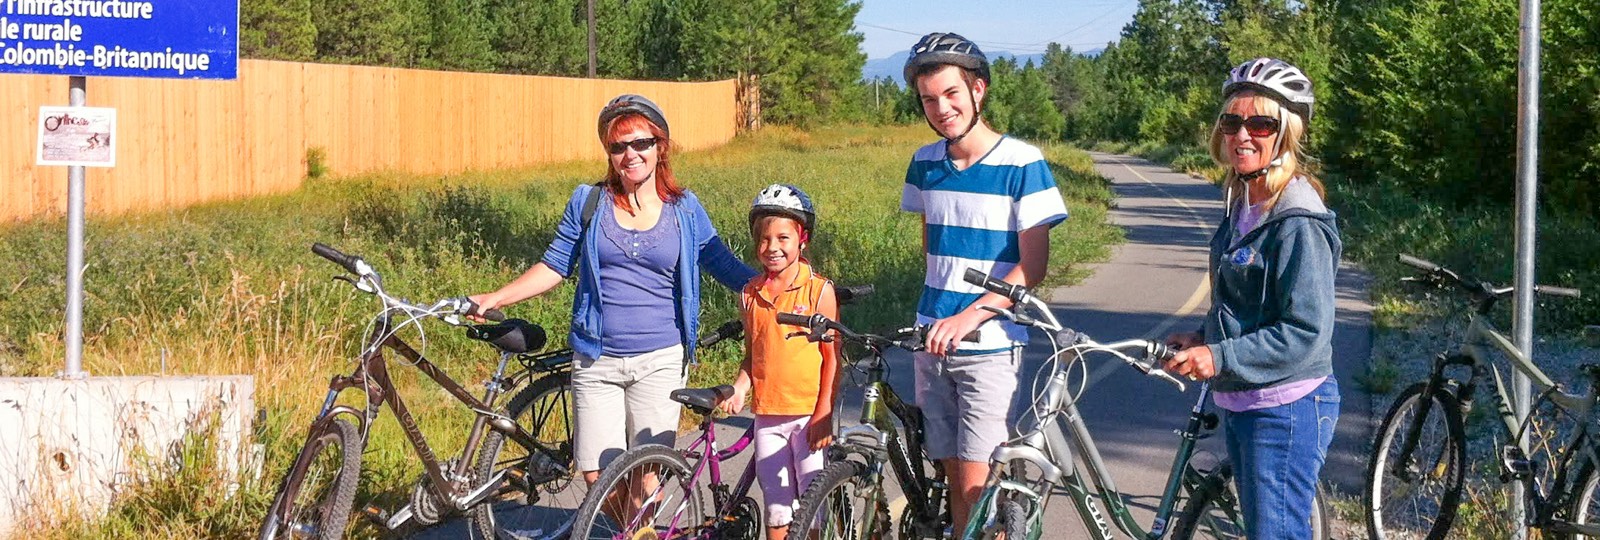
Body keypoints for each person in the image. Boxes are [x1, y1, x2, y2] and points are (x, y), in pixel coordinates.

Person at [470, 94, 756, 483]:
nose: (631, 154)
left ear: (660, 146)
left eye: (641, 143)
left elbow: (721, 262)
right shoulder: (589, 202)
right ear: (609, 152)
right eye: (618, 146)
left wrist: (777, 286)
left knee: (646, 474)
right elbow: (555, 264)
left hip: (661, 358)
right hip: (596, 357)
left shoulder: (685, 208)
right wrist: (496, 297)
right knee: (595, 477)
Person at [1162, 57, 1342, 538]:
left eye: (1261, 123)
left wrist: (1217, 355)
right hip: (1245, 399)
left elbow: (1304, 332)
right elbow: (1248, 305)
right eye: (1232, 121)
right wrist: (1202, 338)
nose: (1243, 135)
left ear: (1287, 133)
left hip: (1285, 408)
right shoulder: (1244, 202)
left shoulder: (1298, 222)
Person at [899, 32, 1069, 534]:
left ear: (979, 90)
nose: (941, 108)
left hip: (989, 346)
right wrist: (936, 319)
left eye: (951, 93)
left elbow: (1031, 269)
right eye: (929, 99)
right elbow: (933, 250)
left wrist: (969, 315)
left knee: (977, 485)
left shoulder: (1022, 162)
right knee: (955, 480)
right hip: (930, 341)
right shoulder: (925, 164)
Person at [717, 184, 841, 540]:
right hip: (768, 416)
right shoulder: (749, 293)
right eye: (764, 239)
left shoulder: (819, 291)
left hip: (807, 417)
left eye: (783, 238)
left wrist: (823, 414)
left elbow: (832, 358)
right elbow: (754, 353)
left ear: (803, 239)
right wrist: (740, 388)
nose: (772, 248)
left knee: (812, 505)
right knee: (776, 509)